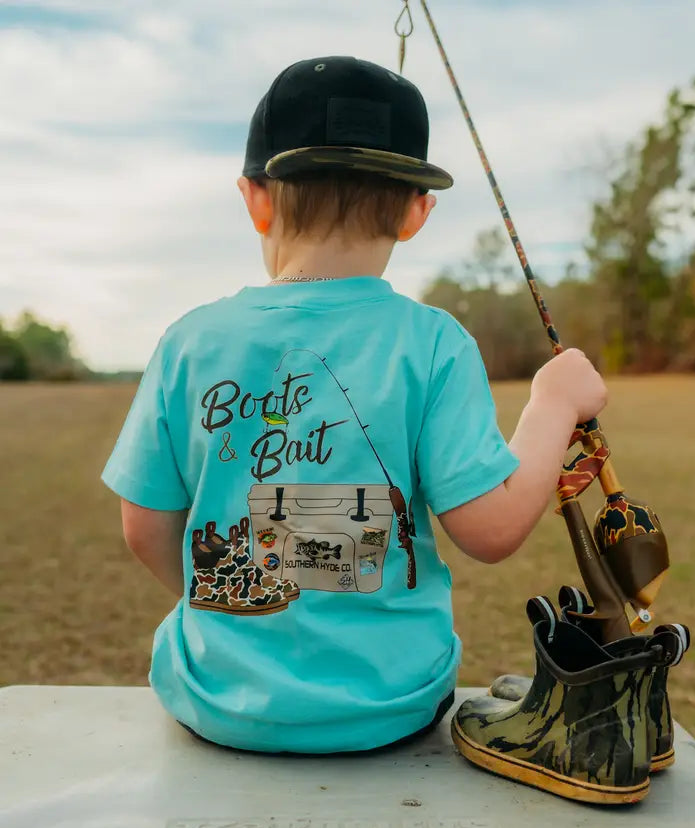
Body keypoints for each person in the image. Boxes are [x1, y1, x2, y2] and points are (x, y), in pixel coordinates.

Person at [102, 56, 607, 754]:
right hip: (391, 707)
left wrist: (234, 615)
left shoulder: (188, 342)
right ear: (415, 212)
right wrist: (553, 403)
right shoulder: (434, 343)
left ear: (255, 198)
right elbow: (490, 531)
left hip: (216, 702)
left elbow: (144, 528)